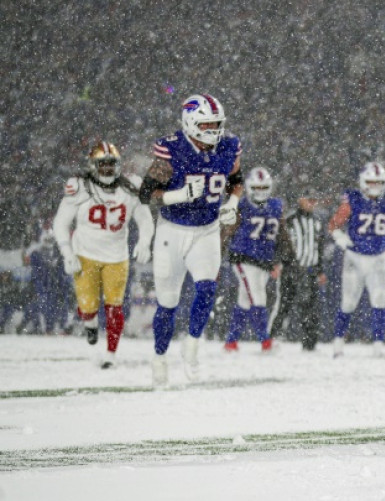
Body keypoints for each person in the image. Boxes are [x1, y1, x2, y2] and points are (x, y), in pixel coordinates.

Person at [138, 94, 243, 385]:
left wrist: (233, 204)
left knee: (207, 288)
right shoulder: (172, 148)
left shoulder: (230, 146)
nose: (214, 129)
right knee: (168, 303)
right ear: (190, 122)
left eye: (217, 123)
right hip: (172, 230)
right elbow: (145, 193)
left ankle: (193, 343)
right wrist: (178, 195)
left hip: (207, 230)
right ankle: (159, 355)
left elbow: (236, 181)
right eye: (207, 123)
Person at [52, 141, 153, 368]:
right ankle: (89, 324)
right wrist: (67, 252)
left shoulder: (130, 187)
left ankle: (111, 353)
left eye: (111, 164)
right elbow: (61, 222)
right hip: (85, 254)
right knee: (87, 307)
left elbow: (145, 218)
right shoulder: (80, 187)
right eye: (102, 165)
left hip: (117, 256)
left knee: (114, 307)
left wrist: (145, 242)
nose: (107, 169)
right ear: (92, 165)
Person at [326, 161, 385, 358]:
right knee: (348, 302)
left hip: (379, 257)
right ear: (363, 181)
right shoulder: (352, 200)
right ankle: (338, 345)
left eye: (379, 182)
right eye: (371, 182)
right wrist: (337, 235)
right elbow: (333, 224)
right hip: (355, 256)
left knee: (379, 300)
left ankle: (377, 347)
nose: (375, 186)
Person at [223, 167, 292, 352]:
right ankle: (265, 341)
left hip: (263, 261)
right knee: (258, 296)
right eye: (257, 187)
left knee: (245, 300)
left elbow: (282, 234)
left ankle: (231, 342)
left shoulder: (276, 206)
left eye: (264, 187)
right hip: (243, 258)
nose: (260, 191)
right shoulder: (241, 205)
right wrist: (218, 253)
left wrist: (284, 257)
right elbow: (227, 231)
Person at [273, 193, 327, 350]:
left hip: (310, 269)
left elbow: (320, 247)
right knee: (284, 304)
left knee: (310, 307)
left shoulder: (317, 221)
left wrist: (320, 270)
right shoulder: (290, 220)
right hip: (292, 268)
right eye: (309, 200)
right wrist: (279, 263)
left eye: (314, 200)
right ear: (300, 200)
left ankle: (309, 342)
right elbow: (281, 243)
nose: (312, 203)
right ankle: (273, 338)